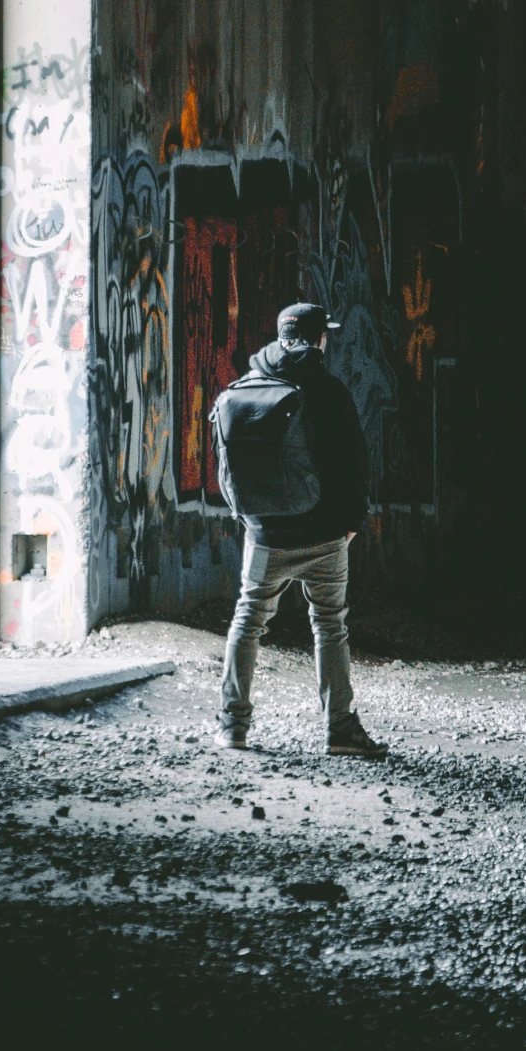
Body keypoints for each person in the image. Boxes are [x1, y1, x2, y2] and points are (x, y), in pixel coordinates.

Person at [216, 301, 388, 758]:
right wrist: (350, 525)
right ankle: (340, 731)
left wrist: (252, 521)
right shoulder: (328, 391)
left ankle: (232, 726)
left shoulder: (247, 385)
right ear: (319, 339)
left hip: (264, 535)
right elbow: (355, 464)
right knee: (329, 626)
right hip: (324, 533)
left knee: (248, 622)